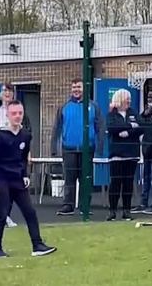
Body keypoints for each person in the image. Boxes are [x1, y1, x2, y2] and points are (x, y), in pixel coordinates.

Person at [0, 100, 56, 258]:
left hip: (17, 179)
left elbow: (23, 158)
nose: (17, 116)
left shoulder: (25, 135)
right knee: (2, 214)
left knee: (30, 212)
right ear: (8, 115)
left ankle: (37, 245)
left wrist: (25, 174)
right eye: (14, 113)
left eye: (20, 113)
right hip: (1, 179)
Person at [50, 78, 105, 216]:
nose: (76, 90)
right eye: (74, 87)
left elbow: (100, 127)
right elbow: (56, 128)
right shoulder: (64, 107)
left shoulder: (94, 106)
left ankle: (84, 206)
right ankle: (67, 206)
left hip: (87, 149)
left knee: (86, 178)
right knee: (69, 178)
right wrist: (53, 148)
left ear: (84, 88)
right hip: (68, 148)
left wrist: (99, 147)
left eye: (79, 87)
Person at [0, 82, 27, 227]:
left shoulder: (19, 111)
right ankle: (2, 215)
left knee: (14, 188)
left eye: (9, 91)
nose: (7, 94)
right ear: (0, 94)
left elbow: (26, 136)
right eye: (4, 91)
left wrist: (28, 154)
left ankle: (6, 214)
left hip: (14, 153)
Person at [105, 89, 142, 221]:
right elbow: (112, 128)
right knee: (115, 182)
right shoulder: (112, 115)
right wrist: (130, 125)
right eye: (127, 98)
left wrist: (128, 132)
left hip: (132, 153)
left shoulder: (133, 113)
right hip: (116, 153)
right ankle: (112, 210)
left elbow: (141, 127)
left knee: (128, 183)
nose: (129, 101)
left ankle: (127, 210)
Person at [133, 89, 152, 215]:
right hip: (146, 147)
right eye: (148, 97)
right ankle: (143, 202)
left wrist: (144, 121)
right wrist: (144, 115)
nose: (150, 99)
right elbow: (138, 121)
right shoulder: (146, 111)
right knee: (146, 176)